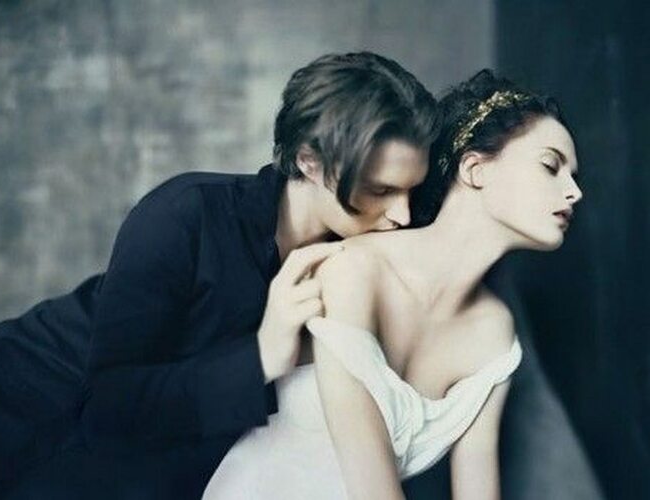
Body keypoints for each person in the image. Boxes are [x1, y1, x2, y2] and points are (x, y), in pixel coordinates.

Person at [0, 51, 439, 499]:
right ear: (310, 162)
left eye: (411, 190)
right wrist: (261, 356)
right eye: (380, 190)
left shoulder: (365, 250)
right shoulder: (186, 212)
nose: (402, 214)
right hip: (11, 398)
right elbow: (108, 406)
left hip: (125, 454)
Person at [203, 69, 583, 499]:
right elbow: (370, 485)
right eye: (551, 166)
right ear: (475, 169)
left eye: (574, 176)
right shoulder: (355, 268)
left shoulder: (494, 331)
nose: (574, 192)